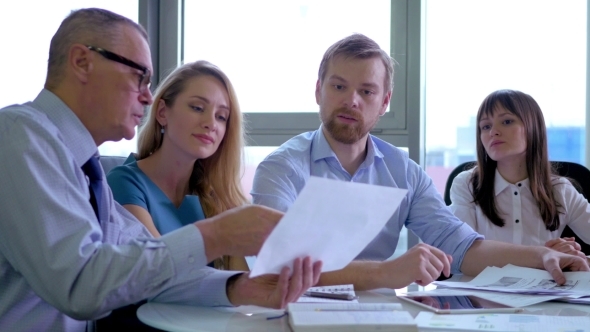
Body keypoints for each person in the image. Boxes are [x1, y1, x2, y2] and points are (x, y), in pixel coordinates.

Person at [0, 8, 320, 332]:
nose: (148, 96)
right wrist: (217, 235)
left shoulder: (83, 168)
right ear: (82, 62)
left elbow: (145, 266)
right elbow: (80, 283)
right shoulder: (19, 139)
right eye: (139, 76)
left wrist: (237, 288)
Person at [251, 33, 589, 291]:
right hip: (295, 312)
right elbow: (278, 268)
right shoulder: (281, 168)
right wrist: (386, 272)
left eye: (367, 92)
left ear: (384, 102)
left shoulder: (404, 173)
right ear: (318, 91)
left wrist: (541, 257)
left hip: (377, 314)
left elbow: (463, 247)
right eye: (339, 86)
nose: (351, 101)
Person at [107, 60, 249, 271]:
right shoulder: (124, 183)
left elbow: (243, 282)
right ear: (163, 112)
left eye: (221, 117)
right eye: (197, 108)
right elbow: (163, 270)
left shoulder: (217, 197)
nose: (210, 123)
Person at [449, 89, 590, 260]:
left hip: (543, 286)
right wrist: (546, 255)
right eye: (486, 126)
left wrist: (576, 256)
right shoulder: (467, 184)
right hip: (479, 285)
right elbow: (460, 253)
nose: (494, 131)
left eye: (507, 121)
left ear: (533, 128)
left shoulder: (560, 190)